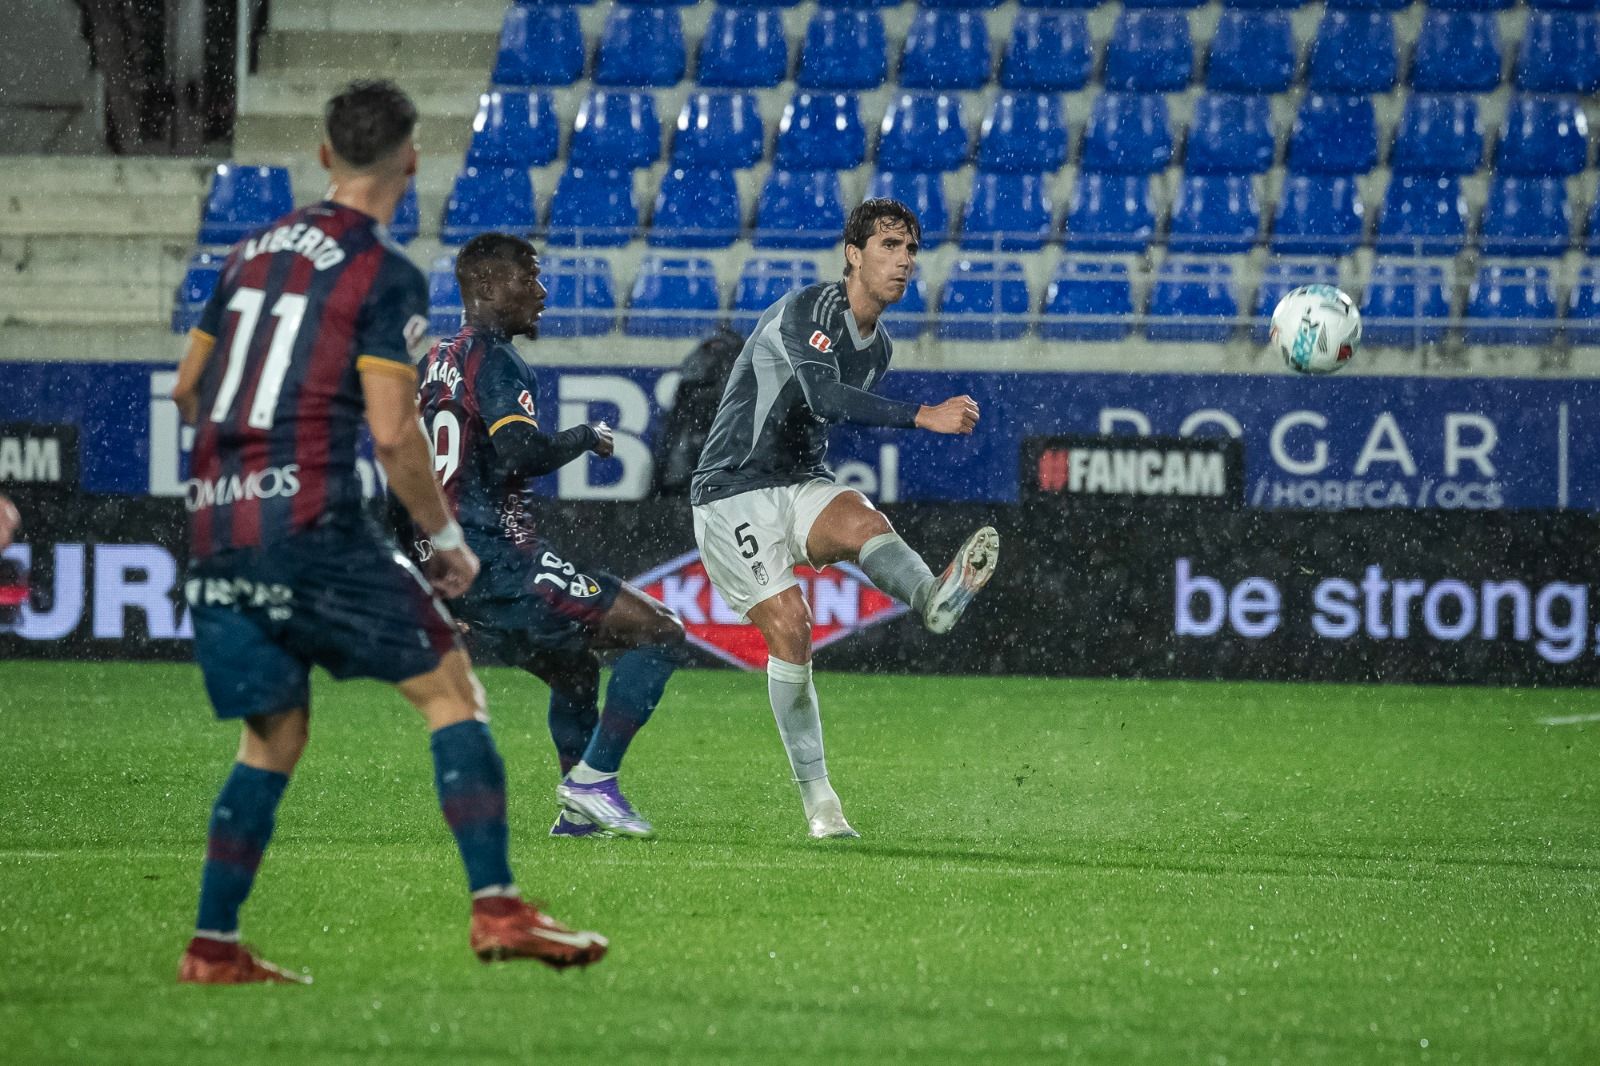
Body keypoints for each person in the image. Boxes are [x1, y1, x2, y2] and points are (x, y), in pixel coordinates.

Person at [169, 80, 606, 984]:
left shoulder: (248, 254)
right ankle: (497, 910)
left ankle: (213, 945)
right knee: (453, 691)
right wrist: (447, 540)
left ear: (325, 156)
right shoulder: (382, 272)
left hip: (217, 524)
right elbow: (396, 434)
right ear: (410, 161)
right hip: (310, 523)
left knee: (273, 735)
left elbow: (186, 392)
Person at [690, 198, 1000, 840]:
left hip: (798, 480)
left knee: (861, 518)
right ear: (854, 255)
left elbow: (826, 412)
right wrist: (924, 414)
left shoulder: (877, 345)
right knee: (793, 627)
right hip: (731, 490)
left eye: (911, 249)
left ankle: (932, 596)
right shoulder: (812, 309)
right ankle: (820, 802)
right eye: (889, 245)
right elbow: (824, 395)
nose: (904, 260)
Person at [414, 232, 685, 840]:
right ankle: (592, 782)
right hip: (498, 559)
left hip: (453, 568)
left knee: (573, 671)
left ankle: (576, 817)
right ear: (485, 286)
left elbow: (401, 481)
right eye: (528, 279)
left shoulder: (434, 362)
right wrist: (585, 436)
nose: (541, 293)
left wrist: (425, 581)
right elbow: (518, 454)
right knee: (662, 633)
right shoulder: (495, 358)